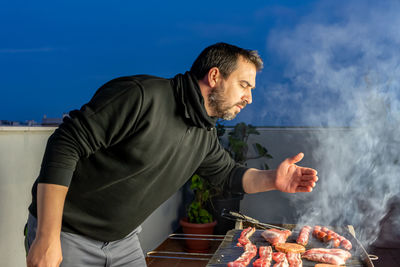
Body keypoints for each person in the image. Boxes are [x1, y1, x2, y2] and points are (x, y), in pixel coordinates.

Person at [25, 42, 318, 267]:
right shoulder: (142, 96)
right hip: (67, 235)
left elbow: (229, 175)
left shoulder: (203, 133)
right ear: (215, 76)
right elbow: (65, 143)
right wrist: (47, 237)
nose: (249, 97)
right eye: (244, 85)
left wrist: (274, 178)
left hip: (123, 242)